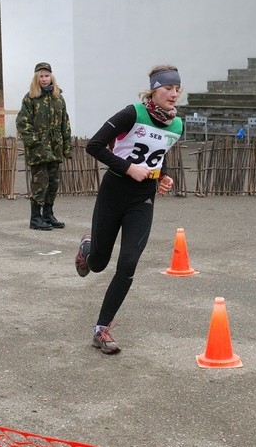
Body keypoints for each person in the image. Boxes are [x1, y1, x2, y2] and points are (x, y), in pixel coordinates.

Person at [75, 64, 184, 354]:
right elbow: (94, 145)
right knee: (98, 263)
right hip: (114, 192)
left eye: (177, 89)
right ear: (154, 89)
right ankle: (87, 248)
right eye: (168, 88)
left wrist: (164, 175)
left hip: (143, 199)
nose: (174, 94)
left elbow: (158, 155)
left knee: (128, 263)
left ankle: (102, 329)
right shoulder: (132, 113)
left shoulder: (177, 125)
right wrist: (127, 168)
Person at [16, 62, 73, 230]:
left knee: (53, 183)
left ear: (51, 77)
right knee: (40, 183)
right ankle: (35, 218)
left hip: (55, 148)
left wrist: (66, 147)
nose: (44, 79)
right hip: (39, 150)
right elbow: (22, 122)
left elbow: (65, 123)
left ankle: (48, 214)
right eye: (41, 76)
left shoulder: (58, 98)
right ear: (36, 78)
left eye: (46, 75)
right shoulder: (30, 98)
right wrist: (34, 143)